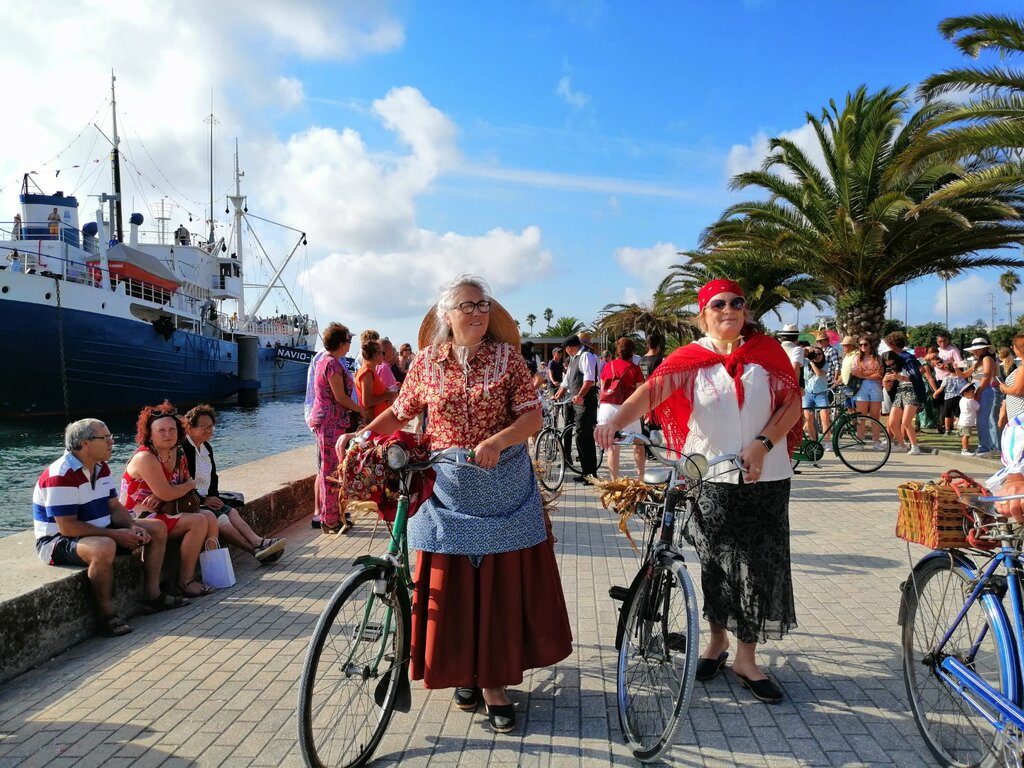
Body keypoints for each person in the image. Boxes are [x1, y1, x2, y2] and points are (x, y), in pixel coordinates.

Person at [339, 275, 572, 733]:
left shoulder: (508, 359)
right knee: (452, 581)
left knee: (499, 585)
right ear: (447, 316)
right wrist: (365, 433)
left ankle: (495, 683)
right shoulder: (426, 363)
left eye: (483, 305)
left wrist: (497, 441)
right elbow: (402, 412)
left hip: (503, 481)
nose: (478, 313)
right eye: (467, 306)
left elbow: (532, 416)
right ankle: (463, 670)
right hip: (445, 483)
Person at [595, 278, 801, 704]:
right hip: (710, 476)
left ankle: (747, 658)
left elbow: (792, 403)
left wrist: (762, 445)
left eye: (737, 303)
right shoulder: (692, 358)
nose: (729, 310)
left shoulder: (767, 354)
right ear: (703, 313)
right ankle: (716, 641)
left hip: (767, 474)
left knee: (760, 565)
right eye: (718, 304)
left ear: (745, 311)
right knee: (715, 563)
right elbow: (650, 392)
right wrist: (615, 421)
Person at [33, 419, 190, 637]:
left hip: (98, 528)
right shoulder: (62, 474)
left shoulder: (100, 467)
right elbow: (67, 527)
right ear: (85, 443)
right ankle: (106, 616)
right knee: (105, 546)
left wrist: (132, 526)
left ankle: (153, 596)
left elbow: (114, 507)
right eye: (105, 438)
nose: (111, 442)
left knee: (157, 528)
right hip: (57, 541)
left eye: (110, 436)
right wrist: (114, 534)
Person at [120, 401, 221, 598]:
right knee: (199, 521)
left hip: (165, 510)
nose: (168, 434)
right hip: (140, 515)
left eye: (172, 429)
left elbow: (179, 488)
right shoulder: (145, 457)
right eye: (161, 430)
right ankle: (186, 582)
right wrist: (178, 489)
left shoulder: (178, 451)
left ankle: (213, 573)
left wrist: (168, 491)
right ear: (150, 433)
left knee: (209, 516)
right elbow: (180, 487)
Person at [182, 405, 287, 563]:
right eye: (203, 427)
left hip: (205, 498)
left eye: (211, 427)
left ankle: (259, 542)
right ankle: (255, 550)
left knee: (232, 512)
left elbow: (212, 476)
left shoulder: (206, 447)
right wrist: (204, 501)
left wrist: (212, 496)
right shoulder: (185, 449)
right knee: (222, 520)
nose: (209, 431)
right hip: (191, 501)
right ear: (189, 427)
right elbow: (186, 481)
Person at [310, 324, 361, 534]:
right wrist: (361, 410)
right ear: (341, 343)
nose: (350, 344)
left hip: (332, 421)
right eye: (348, 341)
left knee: (332, 469)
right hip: (331, 422)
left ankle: (332, 515)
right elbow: (340, 397)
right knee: (331, 470)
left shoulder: (326, 361)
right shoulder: (331, 364)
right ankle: (330, 519)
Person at [552, 334, 599, 482]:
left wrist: (580, 395)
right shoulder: (573, 359)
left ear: (569, 348)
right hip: (575, 402)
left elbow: (589, 379)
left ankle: (590, 474)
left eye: (566, 349)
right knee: (578, 435)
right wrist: (557, 396)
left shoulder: (586, 356)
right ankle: (585, 472)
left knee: (584, 436)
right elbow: (566, 382)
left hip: (585, 402)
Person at [598, 337, 645, 479]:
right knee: (638, 443)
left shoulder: (608, 366)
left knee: (612, 446)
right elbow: (640, 392)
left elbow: (601, 386)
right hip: (627, 408)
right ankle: (641, 478)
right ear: (633, 352)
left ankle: (614, 481)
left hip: (607, 408)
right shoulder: (635, 369)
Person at [883, 331, 925, 455]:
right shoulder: (895, 358)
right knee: (892, 422)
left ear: (892, 344)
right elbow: (921, 369)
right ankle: (902, 445)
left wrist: (899, 377)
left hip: (911, 391)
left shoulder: (907, 357)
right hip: (900, 391)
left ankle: (914, 446)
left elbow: (916, 377)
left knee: (906, 421)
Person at [962, 337, 999, 456]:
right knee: (983, 420)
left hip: (985, 388)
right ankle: (988, 446)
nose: (975, 351)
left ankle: (986, 447)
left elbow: (987, 377)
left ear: (985, 349)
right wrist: (954, 368)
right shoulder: (979, 361)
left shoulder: (987, 359)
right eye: (974, 350)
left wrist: (978, 391)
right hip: (982, 388)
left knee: (984, 420)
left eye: (978, 349)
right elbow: (964, 374)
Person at [851, 337, 885, 449]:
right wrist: (870, 373)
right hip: (861, 387)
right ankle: (860, 440)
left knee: (875, 416)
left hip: (875, 386)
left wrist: (863, 374)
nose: (863, 347)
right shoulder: (857, 358)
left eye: (865, 344)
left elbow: (879, 374)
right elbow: (855, 372)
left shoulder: (878, 358)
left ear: (871, 345)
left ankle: (876, 442)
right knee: (861, 416)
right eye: (860, 345)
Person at [356, 340, 397, 421]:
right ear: (376, 354)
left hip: (377, 418)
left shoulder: (370, 372)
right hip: (372, 420)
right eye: (382, 353)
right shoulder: (367, 373)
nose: (383, 356)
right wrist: (387, 396)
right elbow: (367, 402)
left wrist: (388, 390)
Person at [801, 343, 830, 447]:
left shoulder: (825, 364)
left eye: (819, 354)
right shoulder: (805, 362)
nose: (817, 356)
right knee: (808, 419)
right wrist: (807, 349)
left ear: (823, 355)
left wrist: (811, 361)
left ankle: (827, 442)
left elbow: (819, 373)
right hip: (808, 393)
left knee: (825, 418)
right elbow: (798, 352)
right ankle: (814, 441)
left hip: (821, 394)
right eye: (815, 354)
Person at [1000, 334, 1024, 425]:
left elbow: (1017, 390)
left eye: (1013, 346)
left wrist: (1004, 387)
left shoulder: (1022, 368)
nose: (1012, 348)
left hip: (1020, 411)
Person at [957, 385, 980, 455]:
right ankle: (965, 450)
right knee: (966, 436)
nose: (974, 394)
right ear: (965, 393)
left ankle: (965, 448)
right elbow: (977, 407)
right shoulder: (969, 401)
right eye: (972, 392)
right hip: (966, 422)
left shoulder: (962, 400)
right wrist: (976, 399)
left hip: (963, 422)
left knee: (965, 435)